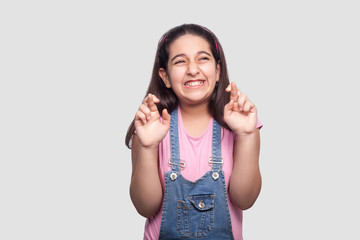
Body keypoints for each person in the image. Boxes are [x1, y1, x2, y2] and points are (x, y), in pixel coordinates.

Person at [125, 23, 262, 240]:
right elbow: (145, 207)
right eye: (180, 61)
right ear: (165, 77)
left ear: (218, 71)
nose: (192, 69)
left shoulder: (241, 125)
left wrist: (246, 135)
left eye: (203, 58)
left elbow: (245, 200)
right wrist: (149, 146)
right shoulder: (149, 128)